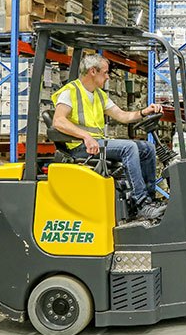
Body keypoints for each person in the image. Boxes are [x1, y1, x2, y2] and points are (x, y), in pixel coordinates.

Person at [51, 53, 166, 220]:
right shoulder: (70, 92)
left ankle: (150, 200)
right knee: (129, 148)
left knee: (147, 148)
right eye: (105, 72)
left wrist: (144, 112)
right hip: (79, 146)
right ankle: (141, 204)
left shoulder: (98, 95)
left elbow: (123, 116)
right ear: (92, 71)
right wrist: (85, 136)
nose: (107, 77)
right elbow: (58, 121)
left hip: (97, 144)